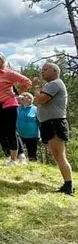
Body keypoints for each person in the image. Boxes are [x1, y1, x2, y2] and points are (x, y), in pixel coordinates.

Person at [33, 62, 73, 195]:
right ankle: (67, 184)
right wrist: (38, 93)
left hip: (54, 124)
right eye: (42, 69)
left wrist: (36, 89)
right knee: (57, 155)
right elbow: (37, 101)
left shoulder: (54, 83)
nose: (42, 71)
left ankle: (69, 186)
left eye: (45, 69)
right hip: (48, 124)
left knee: (60, 155)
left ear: (55, 71)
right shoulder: (50, 85)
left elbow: (41, 99)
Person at [16, 92, 39, 162]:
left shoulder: (36, 109)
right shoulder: (17, 108)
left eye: (25, 96)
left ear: (30, 99)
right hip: (19, 135)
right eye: (22, 95)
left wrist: (41, 135)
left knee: (32, 156)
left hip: (33, 136)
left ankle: (33, 169)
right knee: (17, 153)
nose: (22, 97)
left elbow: (40, 122)